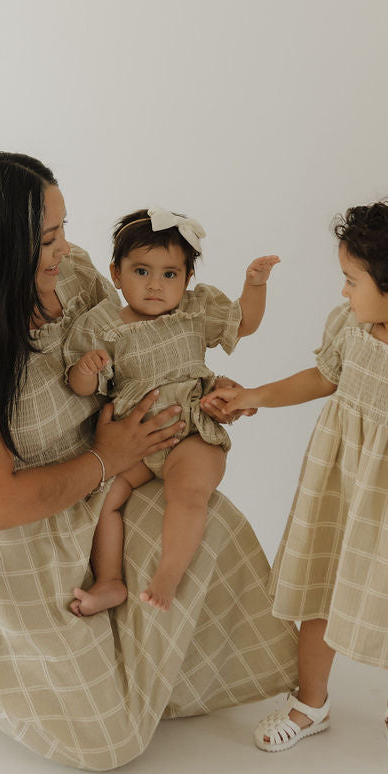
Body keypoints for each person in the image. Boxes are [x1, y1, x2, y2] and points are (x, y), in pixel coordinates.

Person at [0, 152, 296, 770]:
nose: (64, 248)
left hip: (103, 483)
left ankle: (114, 648)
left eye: (63, 228)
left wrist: (194, 386)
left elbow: (132, 338)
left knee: (211, 532)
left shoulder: (71, 276)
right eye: (47, 238)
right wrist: (108, 457)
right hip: (19, 531)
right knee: (106, 745)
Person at [204, 199, 388, 774]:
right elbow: (323, 377)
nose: (343, 293)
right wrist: (252, 395)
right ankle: (311, 702)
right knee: (321, 587)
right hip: (341, 484)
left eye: (351, 280)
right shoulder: (353, 328)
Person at [64, 207, 279, 615]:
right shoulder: (103, 324)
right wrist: (85, 370)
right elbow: (79, 388)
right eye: (141, 272)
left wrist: (255, 284)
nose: (155, 286)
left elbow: (245, 321)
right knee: (104, 496)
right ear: (116, 273)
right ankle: (110, 581)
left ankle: (168, 574)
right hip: (136, 442)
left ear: (187, 279)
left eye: (169, 275)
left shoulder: (194, 311)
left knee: (189, 491)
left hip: (191, 430)